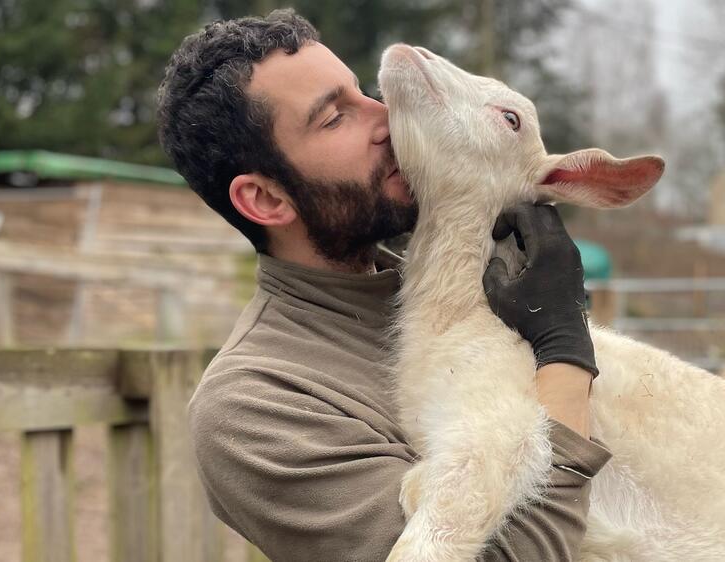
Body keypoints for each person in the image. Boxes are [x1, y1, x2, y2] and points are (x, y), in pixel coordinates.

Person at [156, 8, 610, 561]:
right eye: (333, 118)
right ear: (267, 200)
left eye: (363, 92)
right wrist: (565, 353)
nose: (386, 117)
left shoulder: (466, 293)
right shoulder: (255, 407)